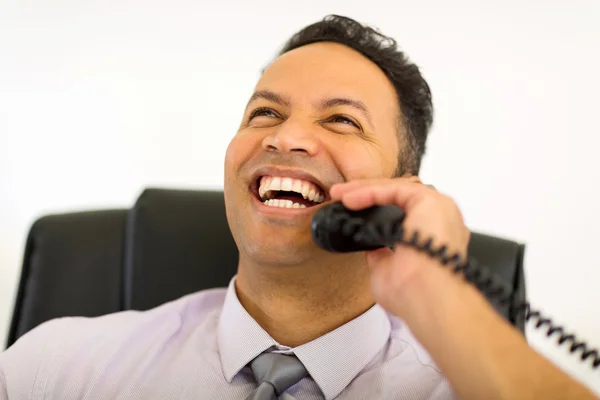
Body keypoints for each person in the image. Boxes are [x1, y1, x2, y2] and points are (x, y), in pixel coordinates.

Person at [0, 14, 597, 400]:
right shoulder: (60, 369)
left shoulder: (470, 388)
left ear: (402, 190)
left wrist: (443, 299)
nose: (285, 139)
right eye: (265, 113)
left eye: (340, 120)